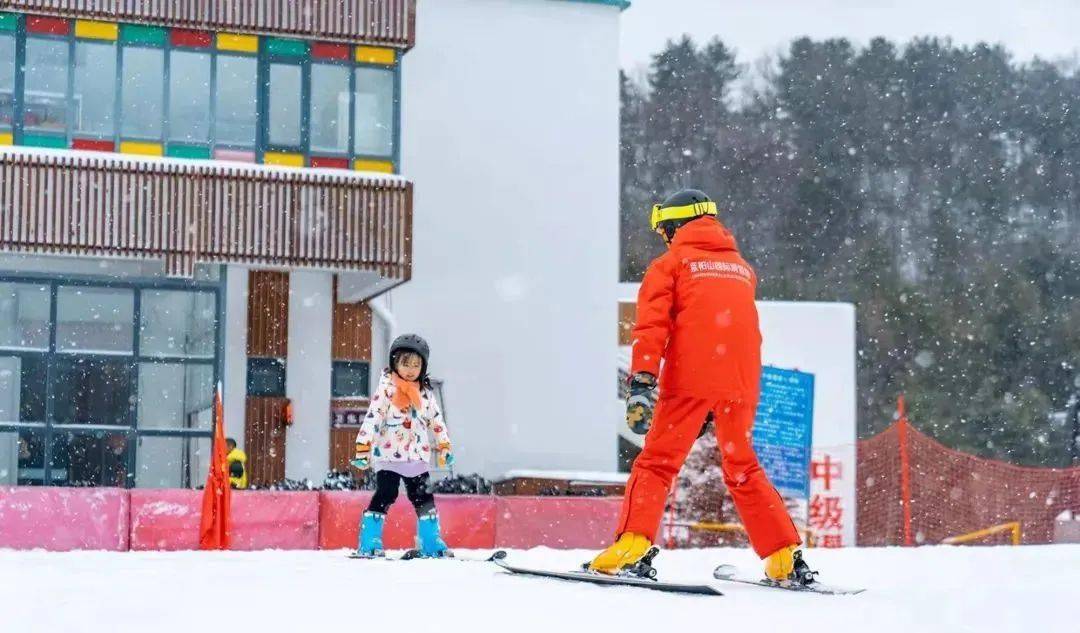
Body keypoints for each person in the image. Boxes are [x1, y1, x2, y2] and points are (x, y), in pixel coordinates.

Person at [590, 189, 815, 585]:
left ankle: (631, 547)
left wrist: (642, 381)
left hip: (689, 380)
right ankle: (783, 556)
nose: (664, 238)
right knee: (742, 467)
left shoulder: (671, 264)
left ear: (676, 226)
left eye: (665, 230)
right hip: (741, 385)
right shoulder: (742, 269)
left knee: (656, 463)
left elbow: (651, 327)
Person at [352, 334, 454, 558]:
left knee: (424, 498)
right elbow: (372, 418)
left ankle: (430, 540)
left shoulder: (425, 394)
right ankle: (370, 540)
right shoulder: (387, 390)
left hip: (416, 456)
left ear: (423, 367)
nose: (410, 370)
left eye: (416, 365)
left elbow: (436, 420)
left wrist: (444, 445)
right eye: (405, 363)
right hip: (388, 454)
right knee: (386, 494)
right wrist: (362, 447)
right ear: (394, 363)